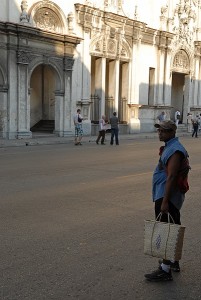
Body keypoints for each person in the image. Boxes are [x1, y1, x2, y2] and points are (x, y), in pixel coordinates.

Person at [145, 120, 190, 282]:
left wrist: (164, 202)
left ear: (172, 132)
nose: (160, 133)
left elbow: (171, 176)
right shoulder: (171, 147)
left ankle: (165, 270)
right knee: (173, 228)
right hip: (166, 194)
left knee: (165, 230)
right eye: (159, 131)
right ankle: (173, 262)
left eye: (163, 131)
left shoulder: (175, 150)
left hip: (167, 196)